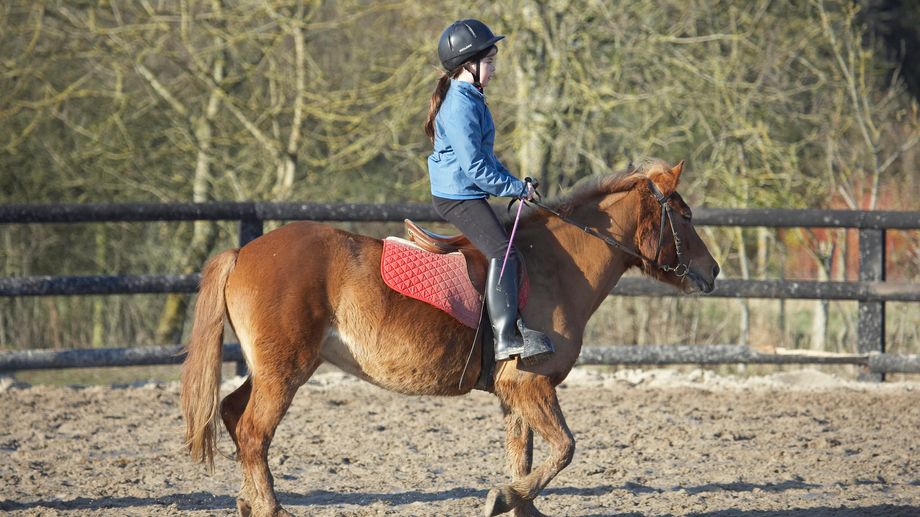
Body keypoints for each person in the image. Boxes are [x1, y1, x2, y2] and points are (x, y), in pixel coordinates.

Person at [425, 19, 553, 365]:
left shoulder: (471, 98)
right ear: (469, 65)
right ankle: (506, 337)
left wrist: (516, 183)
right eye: (490, 62)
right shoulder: (462, 105)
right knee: (504, 251)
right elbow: (475, 169)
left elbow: (486, 159)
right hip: (457, 196)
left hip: (465, 191)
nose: (494, 69)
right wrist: (513, 187)